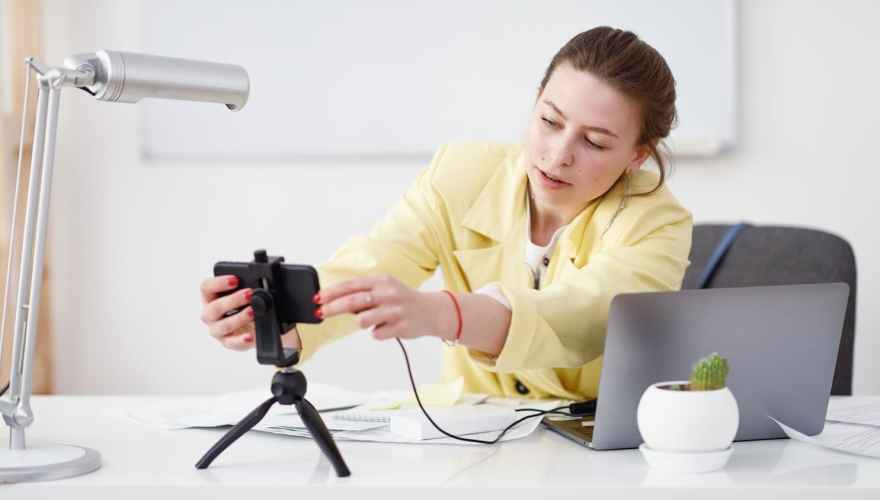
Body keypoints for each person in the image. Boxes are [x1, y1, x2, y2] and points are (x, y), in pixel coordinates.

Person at [199, 26, 692, 401]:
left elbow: (583, 316)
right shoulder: (463, 173)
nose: (558, 153)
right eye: (549, 120)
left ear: (637, 155)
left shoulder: (658, 222)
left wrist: (439, 313)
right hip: (471, 436)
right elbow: (373, 265)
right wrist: (282, 318)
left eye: (594, 141)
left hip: (599, 458)